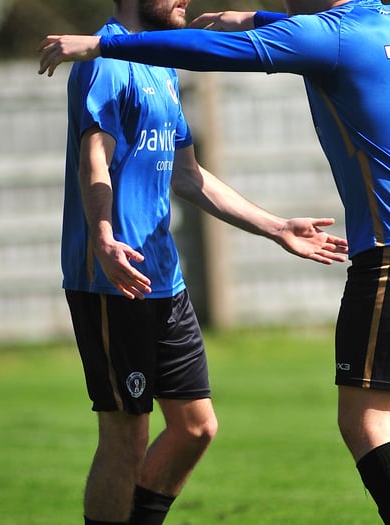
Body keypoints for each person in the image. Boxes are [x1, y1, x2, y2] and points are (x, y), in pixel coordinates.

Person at [38, 1, 390, 524]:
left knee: (367, 424)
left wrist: (104, 42)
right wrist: (255, 17)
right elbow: (311, 31)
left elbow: (225, 54)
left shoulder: (322, 39)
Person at [38, 2, 348, 525]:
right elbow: (95, 157)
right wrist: (104, 237)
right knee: (126, 431)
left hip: (165, 280)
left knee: (195, 428)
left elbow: (187, 174)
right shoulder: (105, 60)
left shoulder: (160, 63)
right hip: (116, 278)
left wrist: (274, 227)